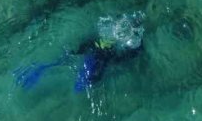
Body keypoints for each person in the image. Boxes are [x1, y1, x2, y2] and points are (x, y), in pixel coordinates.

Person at [14, 11, 144, 92]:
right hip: (101, 54)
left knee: (68, 58)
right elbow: (128, 55)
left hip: (94, 45)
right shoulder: (134, 40)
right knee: (86, 80)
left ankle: (39, 69)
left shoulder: (112, 23)